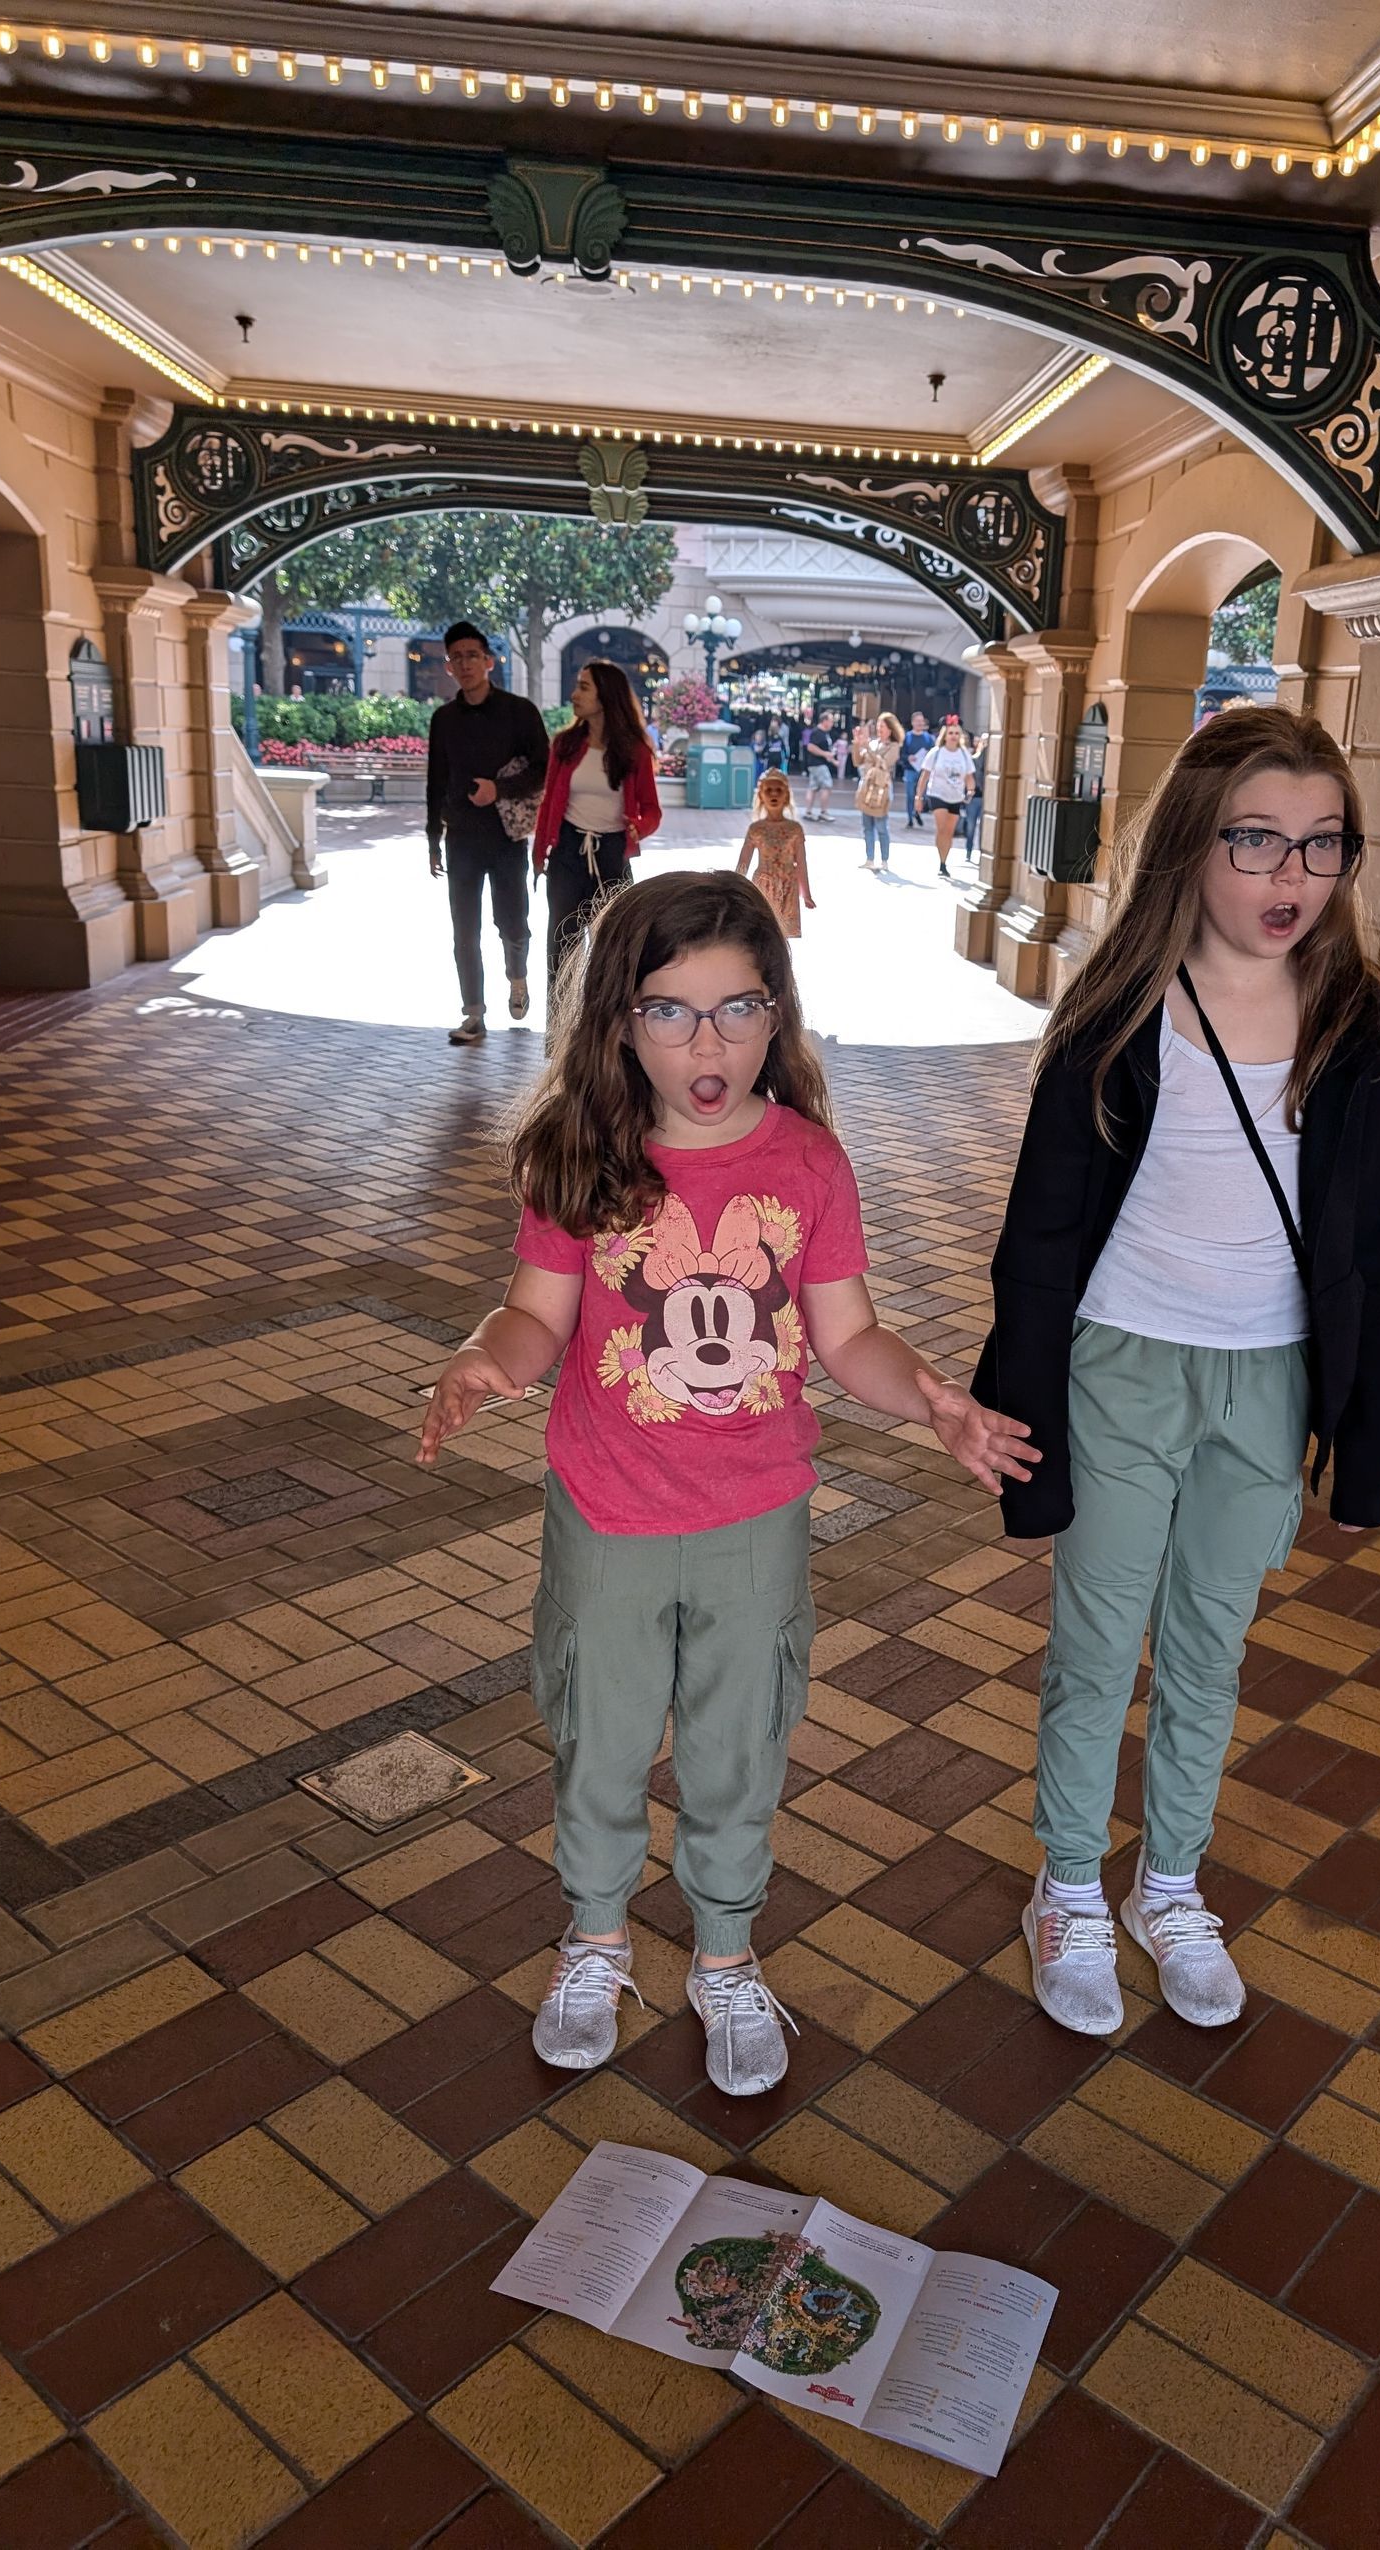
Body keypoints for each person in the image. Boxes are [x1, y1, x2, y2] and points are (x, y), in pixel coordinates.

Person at [417, 872, 1033, 2094]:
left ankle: (726, 1955)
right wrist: (489, 1360)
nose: (709, 1044)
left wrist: (931, 1397)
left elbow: (848, 1336)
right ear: (618, 1023)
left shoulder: (809, 1163)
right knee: (597, 1737)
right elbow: (539, 1316)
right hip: (606, 1514)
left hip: (758, 1521)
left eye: (738, 1009)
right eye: (670, 1012)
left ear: (778, 1012)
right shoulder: (575, 1156)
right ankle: (595, 1938)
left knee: (736, 1748)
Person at [975, 706, 1380, 2039]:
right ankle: (1066, 1883)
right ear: (1190, 845)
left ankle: (1168, 1885)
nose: (1290, 878)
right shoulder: (1120, 1013)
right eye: (1256, 841)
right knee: (1099, 1644)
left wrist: (1370, 1447)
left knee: (1211, 1650)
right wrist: (1022, 1408)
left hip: (1269, 1379)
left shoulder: (1360, 1026)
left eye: (1321, 847)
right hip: (1123, 1365)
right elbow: (1038, 1234)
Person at [425, 622, 549, 1047]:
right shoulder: (444, 719)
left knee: (513, 924)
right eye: (456, 657)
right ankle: (473, 1014)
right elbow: (435, 780)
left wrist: (501, 790)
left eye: (472, 655)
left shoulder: (519, 712)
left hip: (506, 837)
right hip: (461, 838)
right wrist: (432, 838)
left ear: (489, 661)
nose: (465, 664)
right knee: (464, 931)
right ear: (449, 667)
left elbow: (542, 769)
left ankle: (518, 977)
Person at [532, 660, 662, 992]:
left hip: (612, 855)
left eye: (584, 687)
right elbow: (548, 803)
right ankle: (559, 1039)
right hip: (567, 852)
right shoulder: (565, 744)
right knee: (562, 950)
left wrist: (639, 827)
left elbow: (652, 810)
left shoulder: (634, 751)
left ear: (605, 696)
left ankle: (604, 1033)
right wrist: (539, 852)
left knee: (614, 950)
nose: (574, 694)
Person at [736, 770, 815, 939]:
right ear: (761, 796)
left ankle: (781, 964)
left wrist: (806, 894)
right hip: (763, 885)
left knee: (782, 935)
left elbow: (801, 863)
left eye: (778, 790)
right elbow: (744, 861)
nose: (773, 795)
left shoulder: (794, 829)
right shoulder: (755, 829)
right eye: (768, 790)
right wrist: (735, 886)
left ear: (786, 796)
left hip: (788, 886)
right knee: (762, 932)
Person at [918, 717, 977, 879]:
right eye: (950, 733)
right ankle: (941, 863)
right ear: (945, 735)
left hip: (956, 796)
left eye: (956, 733)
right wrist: (918, 796)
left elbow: (969, 776)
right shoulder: (936, 753)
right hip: (937, 794)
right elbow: (925, 775)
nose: (953, 736)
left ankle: (945, 861)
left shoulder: (964, 754)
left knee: (949, 832)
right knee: (942, 828)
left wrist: (971, 790)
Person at [855, 712, 904, 867]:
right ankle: (870, 859)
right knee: (867, 825)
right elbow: (858, 761)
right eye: (878, 726)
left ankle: (884, 859)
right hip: (867, 786)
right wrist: (857, 745)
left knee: (881, 826)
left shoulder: (893, 746)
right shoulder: (873, 744)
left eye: (882, 726)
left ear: (890, 729)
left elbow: (884, 763)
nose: (879, 729)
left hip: (882, 788)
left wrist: (867, 748)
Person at [899, 710, 933, 829]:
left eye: (921, 721)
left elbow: (933, 753)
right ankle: (910, 818)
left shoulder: (929, 738)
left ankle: (917, 812)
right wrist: (908, 757)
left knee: (921, 795)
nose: (919, 723)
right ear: (913, 722)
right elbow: (901, 755)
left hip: (923, 771)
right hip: (910, 770)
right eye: (917, 721)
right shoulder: (907, 737)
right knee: (910, 795)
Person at [801, 712, 837, 821]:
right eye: (831, 721)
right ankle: (824, 812)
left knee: (813, 787)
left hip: (817, 764)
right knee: (827, 786)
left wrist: (833, 761)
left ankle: (808, 812)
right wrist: (825, 754)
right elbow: (811, 747)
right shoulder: (817, 732)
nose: (832, 723)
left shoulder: (824, 733)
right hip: (818, 764)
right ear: (824, 721)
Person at [962, 729, 989, 862]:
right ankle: (969, 850)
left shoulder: (994, 762)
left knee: (985, 827)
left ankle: (982, 853)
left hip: (986, 798)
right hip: (975, 797)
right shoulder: (973, 760)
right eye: (984, 742)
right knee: (971, 826)